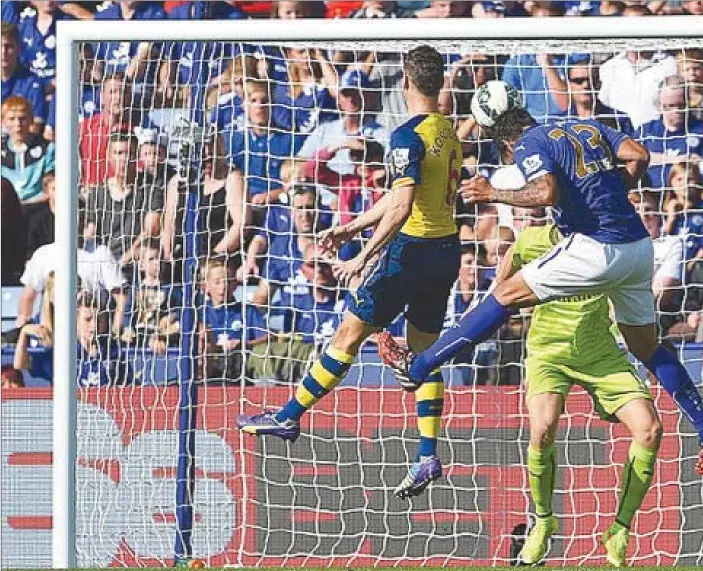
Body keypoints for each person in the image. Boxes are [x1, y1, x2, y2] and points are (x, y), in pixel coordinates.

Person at [378, 104, 703, 480]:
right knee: (646, 347)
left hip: (597, 247)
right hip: (638, 249)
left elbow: (546, 190)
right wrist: (611, 193)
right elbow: (640, 155)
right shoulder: (587, 128)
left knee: (504, 294)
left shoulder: (530, 142)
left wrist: (493, 192)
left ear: (508, 147)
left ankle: (417, 366)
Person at [237, 45, 463, 500]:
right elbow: (406, 195)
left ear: (404, 82)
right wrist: (351, 228)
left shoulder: (407, 135)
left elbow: (400, 206)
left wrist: (363, 257)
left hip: (411, 253)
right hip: (446, 251)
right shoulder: (447, 132)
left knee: (346, 337)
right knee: (422, 354)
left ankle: (287, 417)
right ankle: (426, 454)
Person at [501, 223, 662, 567]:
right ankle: (544, 524)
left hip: (599, 351)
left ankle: (619, 529)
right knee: (542, 430)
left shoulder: (608, 244)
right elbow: (501, 289)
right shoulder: (531, 241)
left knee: (649, 429)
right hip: (548, 352)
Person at [636, 76, 703, 190]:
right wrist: (677, 159)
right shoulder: (646, 131)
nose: (677, 111)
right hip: (651, 198)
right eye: (671, 106)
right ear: (661, 105)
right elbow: (634, 158)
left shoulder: (699, 130)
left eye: (681, 105)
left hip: (689, 199)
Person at [1, 22, 46, 133]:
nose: (3, 52)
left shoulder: (32, 83)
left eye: (9, 46)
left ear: (19, 49)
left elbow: (35, 127)